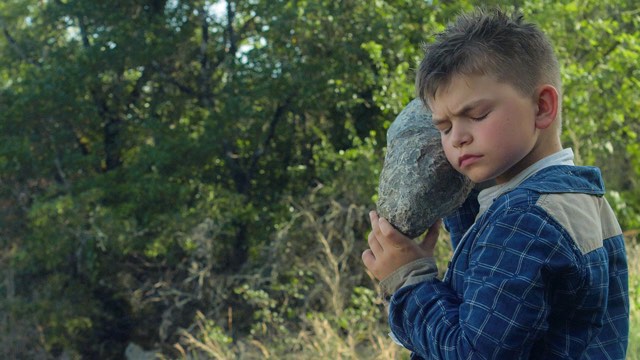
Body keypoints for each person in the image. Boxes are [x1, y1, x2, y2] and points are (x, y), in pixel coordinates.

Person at [362, 8, 629, 359]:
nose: (457, 139)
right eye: (443, 128)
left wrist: (407, 281)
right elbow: (488, 286)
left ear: (542, 107)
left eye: (476, 116)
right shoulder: (572, 196)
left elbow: (470, 352)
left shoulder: (526, 220)